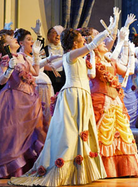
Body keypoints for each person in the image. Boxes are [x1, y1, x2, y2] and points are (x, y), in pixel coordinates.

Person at [9, 16, 117, 186]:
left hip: (82, 95)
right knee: (69, 132)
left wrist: (44, 59)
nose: (83, 42)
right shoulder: (71, 55)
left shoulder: (76, 57)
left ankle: (79, 169)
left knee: (81, 131)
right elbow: (91, 46)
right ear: (74, 44)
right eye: (80, 40)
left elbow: (60, 66)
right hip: (73, 95)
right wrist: (108, 30)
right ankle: (65, 168)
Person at [0, 31, 45, 179]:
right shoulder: (3, 58)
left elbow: (35, 72)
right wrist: (9, 68)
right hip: (14, 99)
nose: (15, 38)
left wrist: (36, 56)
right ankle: (14, 169)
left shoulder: (22, 56)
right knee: (15, 135)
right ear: (6, 44)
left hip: (30, 99)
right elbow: (1, 80)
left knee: (31, 133)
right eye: (12, 38)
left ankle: (29, 166)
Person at [86, 25, 138, 178]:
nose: (104, 41)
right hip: (100, 100)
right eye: (99, 38)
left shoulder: (109, 59)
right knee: (102, 134)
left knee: (122, 133)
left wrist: (128, 49)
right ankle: (102, 169)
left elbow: (128, 71)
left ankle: (123, 169)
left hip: (115, 101)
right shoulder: (90, 59)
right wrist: (119, 42)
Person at [15, 28, 60, 131]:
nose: (32, 42)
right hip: (36, 89)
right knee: (37, 118)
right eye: (29, 39)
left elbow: (46, 65)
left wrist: (64, 59)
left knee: (48, 118)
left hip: (47, 89)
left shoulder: (34, 56)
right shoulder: (21, 57)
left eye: (32, 39)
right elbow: (35, 69)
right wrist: (46, 59)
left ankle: (46, 142)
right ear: (21, 43)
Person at [43, 26, 65, 93]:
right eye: (54, 33)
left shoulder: (66, 49)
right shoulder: (44, 50)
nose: (57, 35)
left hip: (64, 80)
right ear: (48, 36)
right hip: (50, 81)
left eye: (59, 33)